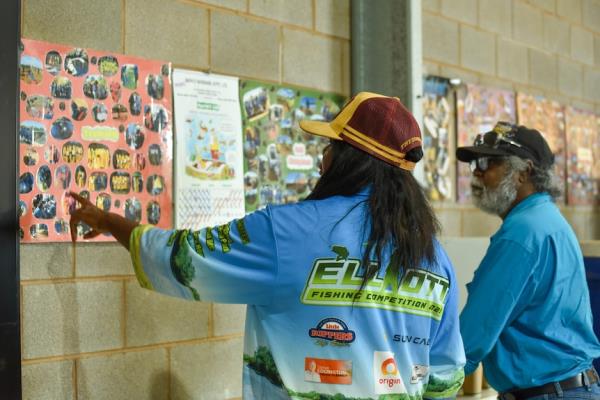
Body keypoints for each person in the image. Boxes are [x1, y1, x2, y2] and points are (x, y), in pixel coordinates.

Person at [69, 92, 465, 399]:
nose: (322, 161)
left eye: (329, 149)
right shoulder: (433, 256)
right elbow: (445, 375)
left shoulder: (286, 231)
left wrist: (108, 221)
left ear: (348, 159)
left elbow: (182, 256)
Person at [456, 121, 600, 398]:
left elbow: (474, 332)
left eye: (487, 163)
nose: (477, 173)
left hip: (547, 393)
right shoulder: (549, 221)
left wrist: (430, 384)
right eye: (475, 164)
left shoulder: (522, 233)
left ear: (524, 172)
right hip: (571, 387)